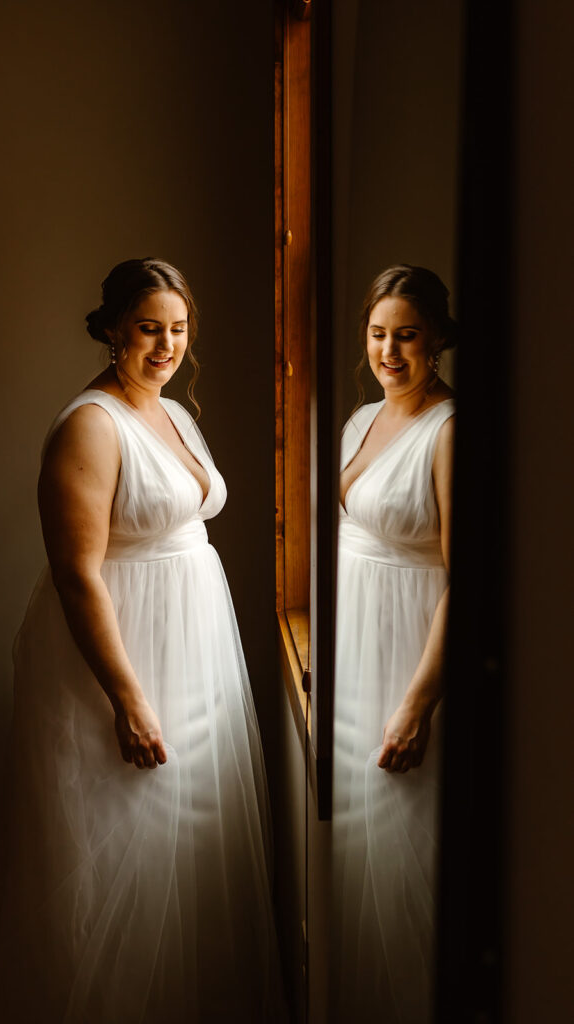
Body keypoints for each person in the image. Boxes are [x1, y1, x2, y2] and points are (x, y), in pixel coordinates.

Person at [0, 258, 287, 1023]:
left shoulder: (170, 412)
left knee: (189, 835)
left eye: (177, 330)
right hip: (126, 652)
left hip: (194, 641)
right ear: (111, 330)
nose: (166, 346)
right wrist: (127, 697)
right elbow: (77, 574)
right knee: (124, 838)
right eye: (148, 329)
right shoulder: (90, 425)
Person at [331, 265, 456, 1023]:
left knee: (411, 846)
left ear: (436, 338)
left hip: (410, 652)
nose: (388, 351)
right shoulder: (359, 421)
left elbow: (466, 580)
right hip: (352, 646)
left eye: (405, 336)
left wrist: (418, 704)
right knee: (358, 847)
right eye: (378, 335)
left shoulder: (450, 431)